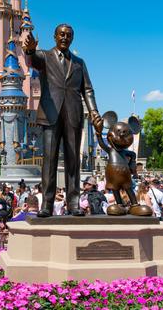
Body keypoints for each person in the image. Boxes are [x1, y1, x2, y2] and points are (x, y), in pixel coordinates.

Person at [22, 24, 104, 217]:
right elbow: (32, 60)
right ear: (54, 36)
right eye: (61, 34)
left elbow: (88, 90)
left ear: (72, 38)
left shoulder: (79, 63)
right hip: (50, 113)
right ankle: (47, 205)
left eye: (68, 35)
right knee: (49, 160)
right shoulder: (44, 56)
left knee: (73, 160)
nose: (65, 38)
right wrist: (30, 50)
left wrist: (94, 112)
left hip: (73, 114)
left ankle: (74, 203)